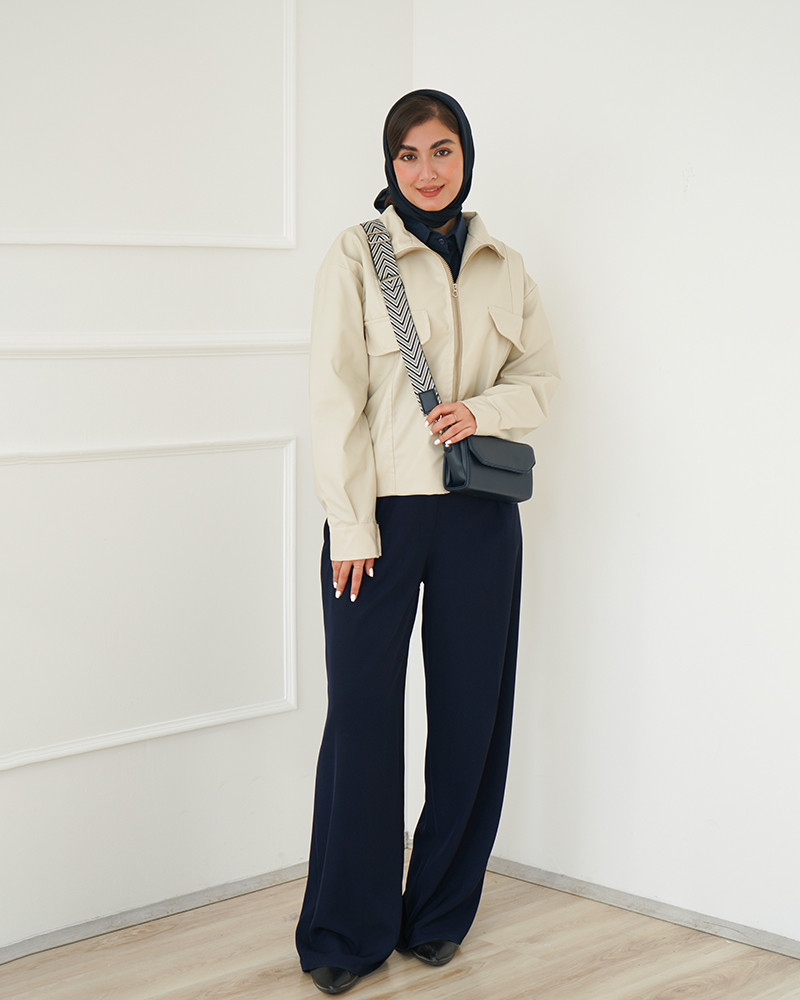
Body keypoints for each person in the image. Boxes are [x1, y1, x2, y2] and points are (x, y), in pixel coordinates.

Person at [296, 89, 560, 995]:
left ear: (466, 156)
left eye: (442, 150)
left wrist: (481, 409)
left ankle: (439, 913)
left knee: (471, 719)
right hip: (380, 518)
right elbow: (332, 398)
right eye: (409, 155)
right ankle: (346, 931)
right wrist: (349, 523)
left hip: (479, 514)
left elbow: (542, 378)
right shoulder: (356, 255)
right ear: (390, 164)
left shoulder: (505, 266)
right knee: (362, 720)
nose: (427, 170)